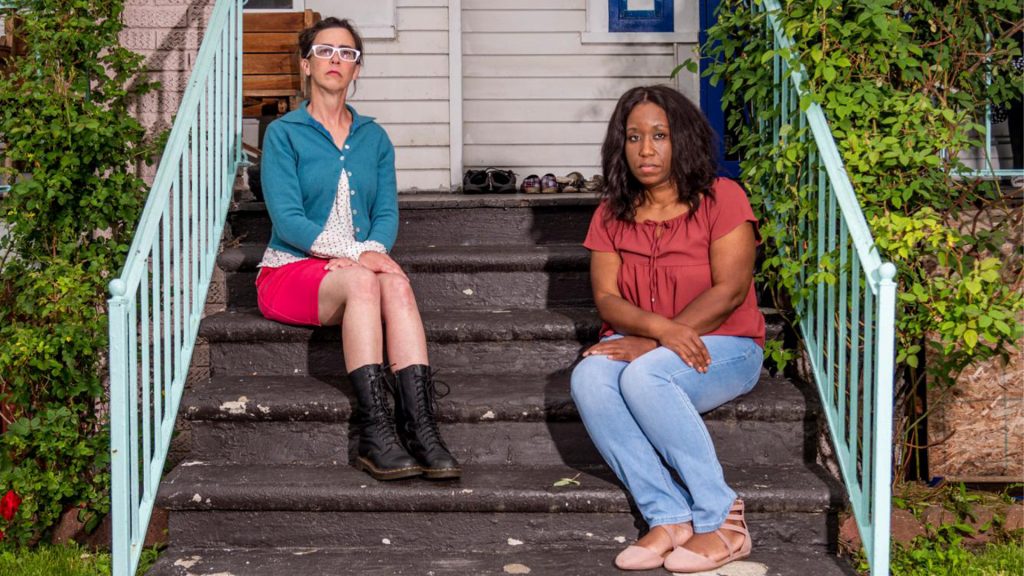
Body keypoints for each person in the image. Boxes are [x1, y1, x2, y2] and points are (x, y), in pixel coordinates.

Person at [570, 85, 765, 573]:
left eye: (659, 135)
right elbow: (607, 298)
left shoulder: (723, 198)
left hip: (727, 346)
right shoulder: (612, 211)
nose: (646, 149)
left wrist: (656, 341)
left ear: (683, 139)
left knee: (647, 374)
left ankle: (723, 517)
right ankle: (669, 516)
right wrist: (658, 334)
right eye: (633, 137)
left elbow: (730, 291)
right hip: (648, 340)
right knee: (588, 377)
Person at [255, 18, 460, 481]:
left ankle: (421, 428)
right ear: (306, 64)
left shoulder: (375, 138)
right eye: (325, 51)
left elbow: (386, 214)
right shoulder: (284, 134)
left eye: (347, 54)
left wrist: (371, 252)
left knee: (397, 285)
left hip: (354, 270)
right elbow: (288, 221)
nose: (336, 60)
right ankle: (375, 431)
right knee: (367, 281)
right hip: (290, 269)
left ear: (357, 69)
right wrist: (354, 254)